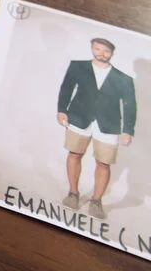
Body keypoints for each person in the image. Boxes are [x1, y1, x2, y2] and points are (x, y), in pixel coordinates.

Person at [57, 37, 138, 219]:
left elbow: (130, 106)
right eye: (97, 49)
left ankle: (96, 201)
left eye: (106, 51)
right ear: (92, 48)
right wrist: (62, 110)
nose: (101, 54)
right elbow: (66, 88)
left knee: (103, 163)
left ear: (112, 53)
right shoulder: (78, 66)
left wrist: (127, 130)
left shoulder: (123, 79)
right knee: (74, 154)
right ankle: (73, 193)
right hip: (78, 118)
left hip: (109, 125)